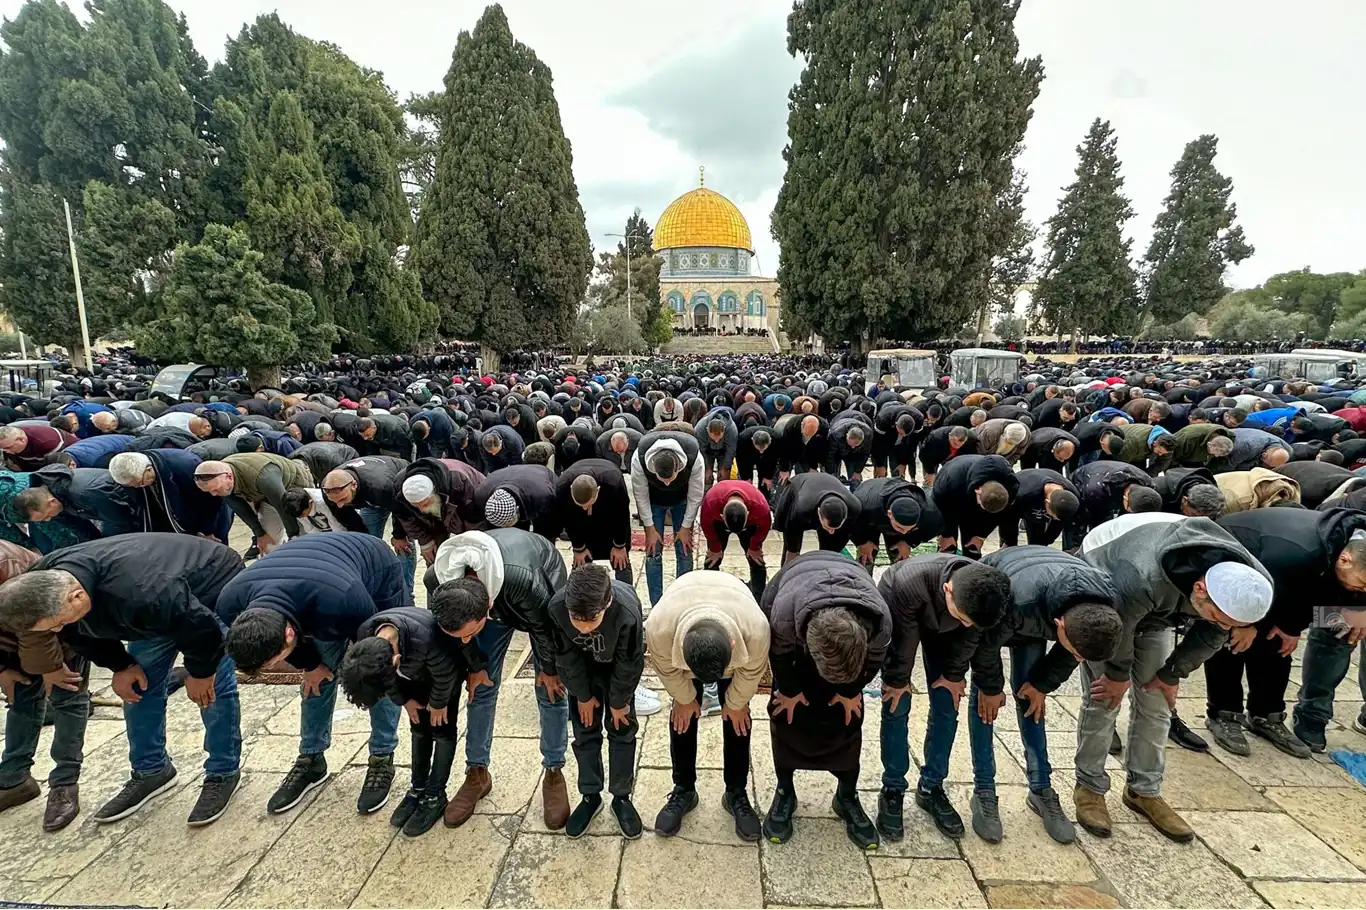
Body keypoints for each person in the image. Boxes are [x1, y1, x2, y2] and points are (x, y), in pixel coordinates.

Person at [0, 534, 244, 826]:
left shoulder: (143, 591)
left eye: (60, 622)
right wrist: (120, 665)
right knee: (137, 689)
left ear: (76, 596)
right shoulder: (45, 581)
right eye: (53, 627)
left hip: (210, 588)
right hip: (158, 604)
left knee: (213, 690)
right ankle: (152, 770)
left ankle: (223, 772)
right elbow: (76, 633)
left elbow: (202, 629)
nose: (60, 629)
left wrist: (201, 672)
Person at [1076, 513, 1273, 842]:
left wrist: (1172, 672)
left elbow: (1214, 631)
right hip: (1107, 586)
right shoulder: (1139, 574)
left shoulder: (1252, 582)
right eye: (1215, 616)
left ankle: (1144, 790)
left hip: (1160, 608)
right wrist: (1116, 673)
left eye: (1230, 622)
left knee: (1157, 701)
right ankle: (1089, 788)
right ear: (1200, 589)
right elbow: (1119, 626)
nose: (1222, 626)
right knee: (1104, 698)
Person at [216, 533, 408, 816]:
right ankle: (312, 759)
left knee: (374, 672)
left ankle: (382, 756)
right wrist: (310, 665)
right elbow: (302, 657)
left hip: (373, 570)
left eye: (277, 660)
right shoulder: (230, 604)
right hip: (309, 579)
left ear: (290, 632)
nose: (279, 668)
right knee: (316, 677)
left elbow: (370, 653)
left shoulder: (343, 600)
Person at [970, 547, 1123, 844]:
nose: (1077, 657)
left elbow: (1077, 649)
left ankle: (1041, 788)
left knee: (1032, 699)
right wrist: (990, 688)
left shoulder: (1103, 606)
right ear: (1061, 626)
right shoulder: (1015, 599)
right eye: (1075, 649)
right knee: (984, 703)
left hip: (1042, 612)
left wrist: (1043, 684)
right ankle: (984, 791)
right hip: (1005, 606)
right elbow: (983, 645)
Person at [426, 528, 572, 829]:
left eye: (472, 632)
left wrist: (548, 668)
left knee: (551, 689)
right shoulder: (437, 581)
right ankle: (477, 773)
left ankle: (554, 771)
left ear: (487, 610)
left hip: (538, 577)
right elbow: (456, 637)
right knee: (480, 687)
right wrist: (475, 665)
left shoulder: (524, 581)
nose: (466, 639)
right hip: (487, 594)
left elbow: (545, 627)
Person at [874, 554, 1009, 841]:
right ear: (948, 589)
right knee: (897, 703)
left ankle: (931, 786)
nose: (969, 624)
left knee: (947, 703)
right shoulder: (907, 583)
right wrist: (898, 680)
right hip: (902, 616)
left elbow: (974, 635)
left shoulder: (988, 591)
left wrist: (954, 674)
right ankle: (893, 788)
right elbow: (903, 642)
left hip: (949, 635)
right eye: (964, 617)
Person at [760, 550, 890, 849]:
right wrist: (791, 691)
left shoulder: (880, 621)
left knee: (850, 713)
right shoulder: (784, 614)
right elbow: (778, 654)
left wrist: (848, 691)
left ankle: (846, 795)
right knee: (785, 709)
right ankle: (784, 792)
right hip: (795, 588)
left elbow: (875, 660)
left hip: (847, 603)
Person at [1213, 507, 1366, 756]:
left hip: (1296, 580)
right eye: (1361, 584)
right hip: (1241, 564)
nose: (1360, 590)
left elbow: (1303, 596)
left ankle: (1266, 714)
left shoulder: (1352, 552)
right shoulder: (1299, 552)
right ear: (1344, 559)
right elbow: (1270, 590)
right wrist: (1246, 624)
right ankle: (1223, 712)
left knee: (1279, 643)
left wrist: (1292, 626)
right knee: (1234, 639)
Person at [646, 570, 767, 841]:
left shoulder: (755, 629)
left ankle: (736, 792)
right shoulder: (659, 628)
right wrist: (685, 698)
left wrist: (736, 703)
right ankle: (684, 790)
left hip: (732, 604)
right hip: (684, 601)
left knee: (738, 717)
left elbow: (751, 672)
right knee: (682, 715)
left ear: (733, 645)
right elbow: (667, 669)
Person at [341, 606, 466, 837]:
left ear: (396, 660)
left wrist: (439, 703)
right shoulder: (367, 638)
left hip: (444, 677)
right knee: (419, 728)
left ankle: (435, 795)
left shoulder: (426, 637)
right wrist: (405, 700)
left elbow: (446, 673)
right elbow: (385, 679)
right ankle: (418, 788)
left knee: (442, 730)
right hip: (410, 679)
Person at [547, 563, 646, 838]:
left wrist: (619, 702)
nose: (583, 627)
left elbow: (631, 661)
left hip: (617, 671)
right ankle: (590, 795)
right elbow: (564, 654)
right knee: (584, 731)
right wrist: (582, 694)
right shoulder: (556, 608)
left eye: (591, 620)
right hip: (583, 674)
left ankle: (621, 797)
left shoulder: (626, 611)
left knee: (622, 730)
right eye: (576, 619)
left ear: (607, 603)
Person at [0, 540, 87, 832]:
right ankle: (13, 779)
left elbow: (36, 611)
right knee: (21, 697)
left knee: (68, 697)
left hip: (55, 629)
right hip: (9, 641)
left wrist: (49, 666)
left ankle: (64, 784)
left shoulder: (6, 564)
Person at [320, 455, 418, 600]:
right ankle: (375, 587)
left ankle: (405, 593)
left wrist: (399, 536)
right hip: (369, 500)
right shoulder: (329, 490)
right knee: (365, 545)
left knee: (403, 547)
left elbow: (402, 510)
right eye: (335, 502)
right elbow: (346, 517)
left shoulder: (381, 485)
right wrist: (362, 539)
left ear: (353, 485)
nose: (339, 505)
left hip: (397, 492)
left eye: (342, 499)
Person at [631, 429, 704, 605]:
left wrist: (686, 526)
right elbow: (640, 495)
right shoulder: (639, 459)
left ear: (678, 466)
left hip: (682, 500)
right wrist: (649, 528)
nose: (667, 483)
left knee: (685, 548)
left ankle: (683, 602)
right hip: (654, 501)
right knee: (653, 550)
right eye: (662, 479)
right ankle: (657, 605)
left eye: (671, 478)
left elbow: (696, 495)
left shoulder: (694, 457)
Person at [197, 453, 313, 553]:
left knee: (303, 538)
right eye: (209, 492)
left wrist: (293, 535)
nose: (214, 494)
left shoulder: (264, 477)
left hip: (295, 492)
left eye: (216, 489)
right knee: (268, 543)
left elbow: (283, 506)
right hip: (264, 496)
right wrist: (259, 533)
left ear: (229, 476)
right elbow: (240, 508)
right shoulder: (222, 482)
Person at [107, 450, 233, 541]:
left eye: (140, 483)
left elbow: (211, 501)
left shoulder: (185, 466)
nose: (139, 487)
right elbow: (143, 509)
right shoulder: (132, 475)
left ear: (149, 469)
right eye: (133, 486)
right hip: (175, 519)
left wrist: (207, 531)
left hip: (209, 514)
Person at [391, 457, 484, 564]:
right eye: (415, 506)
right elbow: (405, 517)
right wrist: (426, 542)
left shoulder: (459, 481)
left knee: (472, 555)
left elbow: (475, 522)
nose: (421, 510)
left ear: (435, 492)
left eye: (425, 504)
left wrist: (470, 546)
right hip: (441, 509)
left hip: (470, 510)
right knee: (434, 557)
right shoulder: (400, 487)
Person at [557, 459, 633, 582]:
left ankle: (627, 595)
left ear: (598, 490)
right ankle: (578, 596)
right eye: (580, 505)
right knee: (581, 564)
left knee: (621, 561)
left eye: (588, 504)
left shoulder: (613, 483)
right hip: (581, 524)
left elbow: (622, 515)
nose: (585, 508)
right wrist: (578, 547)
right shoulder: (562, 487)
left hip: (610, 520)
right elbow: (568, 519)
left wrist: (619, 545)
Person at [15, 464, 143, 537]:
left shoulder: (88, 493)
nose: (48, 519)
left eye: (46, 516)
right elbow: (79, 526)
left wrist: (107, 542)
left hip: (140, 500)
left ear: (51, 502)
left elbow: (121, 521)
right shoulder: (54, 500)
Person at [930, 454, 1018, 559]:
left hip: (974, 502)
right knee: (948, 547)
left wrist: (981, 535)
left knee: (972, 546)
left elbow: (998, 516)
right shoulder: (951, 479)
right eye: (981, 505)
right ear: (978, 491)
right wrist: (946, 534)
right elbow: (939, 506)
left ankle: (972, 565)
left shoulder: (1012, 487)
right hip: (951, 499)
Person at [848, 476, 942, 571]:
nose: (904, 532)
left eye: (910, 529)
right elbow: (850, 523)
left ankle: (897, 581)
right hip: (868, 516)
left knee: (900, 557)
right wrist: (862, 542)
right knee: (866, 557)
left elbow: (932, 529)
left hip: (892, 514)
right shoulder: (865, 505)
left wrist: (908, 542)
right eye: (901, 528)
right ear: (890, 514)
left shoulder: (930, 512)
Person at [772, 471, 861, 564]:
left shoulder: (854, 507)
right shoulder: (802, 507)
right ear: (819, 513)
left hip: (828, 485)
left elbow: (848, 531)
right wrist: (792, 552)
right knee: (781, 526)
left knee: (830, 551)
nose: (832, 532)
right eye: (829, 527)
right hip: (798, 485)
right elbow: (791, 529)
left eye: (835, 528)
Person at [996, 468, 1081, 549]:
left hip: (1038, 503)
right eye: (1052, 517)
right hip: (1017, 499)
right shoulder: (1023, 494)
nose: (1053, 519)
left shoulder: (1071, 497)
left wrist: (1045, 542)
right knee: (1009, 542)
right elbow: (1006, 518)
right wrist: (1007, 541)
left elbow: (1058, 524)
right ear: (1047, 502)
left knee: (1037, 541)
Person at [0, 424, 78, 472]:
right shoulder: (11, 439)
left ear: (21, 440)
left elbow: (58, 468)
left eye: (8, 448)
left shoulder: (47, 443)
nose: (5, 451)